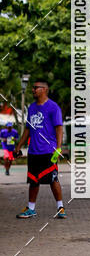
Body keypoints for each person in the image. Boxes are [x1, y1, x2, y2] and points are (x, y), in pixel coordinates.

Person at [14, 80, 66, 219]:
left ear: (44, 89)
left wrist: (59, 148)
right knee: (33, 181)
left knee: (53, 179)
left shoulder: (53, 107)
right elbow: (27, 129)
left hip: (49, 150)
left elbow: (59, 128)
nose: (33, 90)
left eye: (36, 88)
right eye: (33, 88)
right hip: (33, 151)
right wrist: (19, 146)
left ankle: (60, 208)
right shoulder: (31, 108)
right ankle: (31, 209)